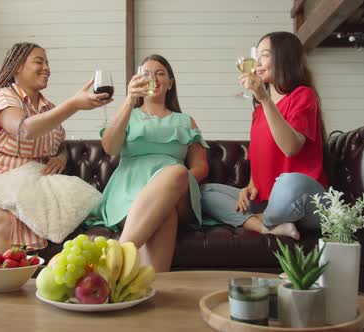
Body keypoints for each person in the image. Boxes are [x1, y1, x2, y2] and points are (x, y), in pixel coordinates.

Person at [0, 42, 111, 254]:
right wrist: (73, 104)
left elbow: (60, 142)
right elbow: (24, 130)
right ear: (17, 66)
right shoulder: (2, 97)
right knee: (2, 223)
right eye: (39, 61)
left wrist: (62, 156)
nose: (47, 67)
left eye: (47, 63)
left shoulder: (49, 108)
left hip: (30, 187)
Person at [200, 31, 328, 240]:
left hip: (301, 197)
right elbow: (258, 162)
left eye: (265, 55)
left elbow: (291, 147)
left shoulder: (303, 95)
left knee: (290, 183)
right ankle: (266, 225)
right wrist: (249, 188)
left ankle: (262, 218)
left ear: (284, 58)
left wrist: (265, 99)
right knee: (204, 192)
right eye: (257, 55)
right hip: (267, 201)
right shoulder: (258, 112)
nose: (257, 62)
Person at [92, 54, 209, 272]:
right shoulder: (128, 115)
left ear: (170, 83)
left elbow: (201, 166)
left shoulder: (186, 121)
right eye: (146, 74)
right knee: (166, 216)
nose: (153, 78)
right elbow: (110, 148)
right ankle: (145, 290)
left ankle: (113, 260)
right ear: (138, 80)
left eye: (160, 73)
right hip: (128, 192)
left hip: (178, 191)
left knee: (176, 172)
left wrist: (175, 184)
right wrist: (128, 100)